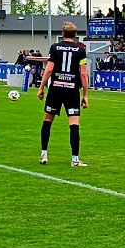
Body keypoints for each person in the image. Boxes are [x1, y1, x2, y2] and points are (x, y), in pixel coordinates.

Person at [37, 22, 88, 166]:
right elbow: (83, 74)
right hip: (72, 89)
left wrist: (41, 88)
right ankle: (75, 160)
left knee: (47, 120)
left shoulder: (55, 47)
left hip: (56, 88)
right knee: (74, 123)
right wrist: (85, 95)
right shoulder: (80, 50)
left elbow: (49, 69)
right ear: (76, 35)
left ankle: (44, 155)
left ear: (62, 34)